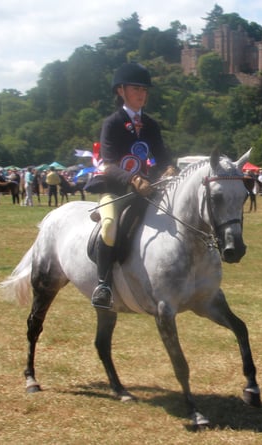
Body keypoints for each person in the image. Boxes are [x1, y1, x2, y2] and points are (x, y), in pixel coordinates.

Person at [86, 62, 175, 310]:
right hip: (116, 190)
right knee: (109, 227)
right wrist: (133, 179)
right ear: (121, 91)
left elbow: (162, 157)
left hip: (148, 191)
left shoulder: (151, 125)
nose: (142, 94)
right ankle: (103, 285)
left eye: (145, 90)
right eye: (136, 88)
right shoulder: (112, 123)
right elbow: (109, 163)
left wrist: (168, 168)